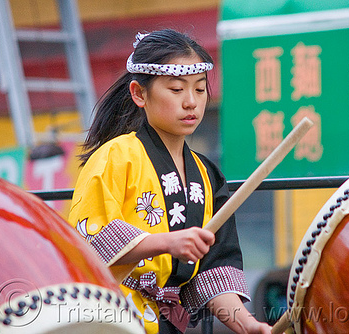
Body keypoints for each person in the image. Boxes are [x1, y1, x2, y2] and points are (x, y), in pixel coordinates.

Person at [68, 29, 272, 334]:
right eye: (176, 90)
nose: (191, 102)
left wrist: (246, 324)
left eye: (200, 90)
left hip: (168, 324)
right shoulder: (116, 156)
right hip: (112, 317)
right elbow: (87, 239)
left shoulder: (206, 175)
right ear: (139, 93)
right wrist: (167, 242)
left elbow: (214, 269)